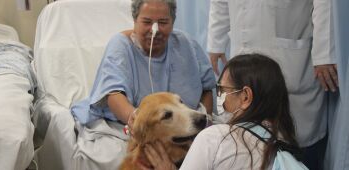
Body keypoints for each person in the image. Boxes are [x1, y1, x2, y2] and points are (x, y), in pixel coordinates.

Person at [206, 0, 337, 169]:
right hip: (244, 51)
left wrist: (324, 53)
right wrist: (216, 41)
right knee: (247, 145)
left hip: (290, 52)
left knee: (296, 145)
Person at [71, 0, 215, 136]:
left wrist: (205, 123)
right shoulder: (121, 45)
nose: (155, 30)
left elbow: (207, 87)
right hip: (131, 125)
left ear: (172, 22)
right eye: (147, 22)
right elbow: (112, 93)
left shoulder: (185, 43)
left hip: (189, 125)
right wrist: (135, 119)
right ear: (135, 20)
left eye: (163, 22)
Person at [144, 53, 303, 170]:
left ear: (245, 96)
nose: (219, 97)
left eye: (222, 90)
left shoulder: (215, 138)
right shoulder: (284, 143)